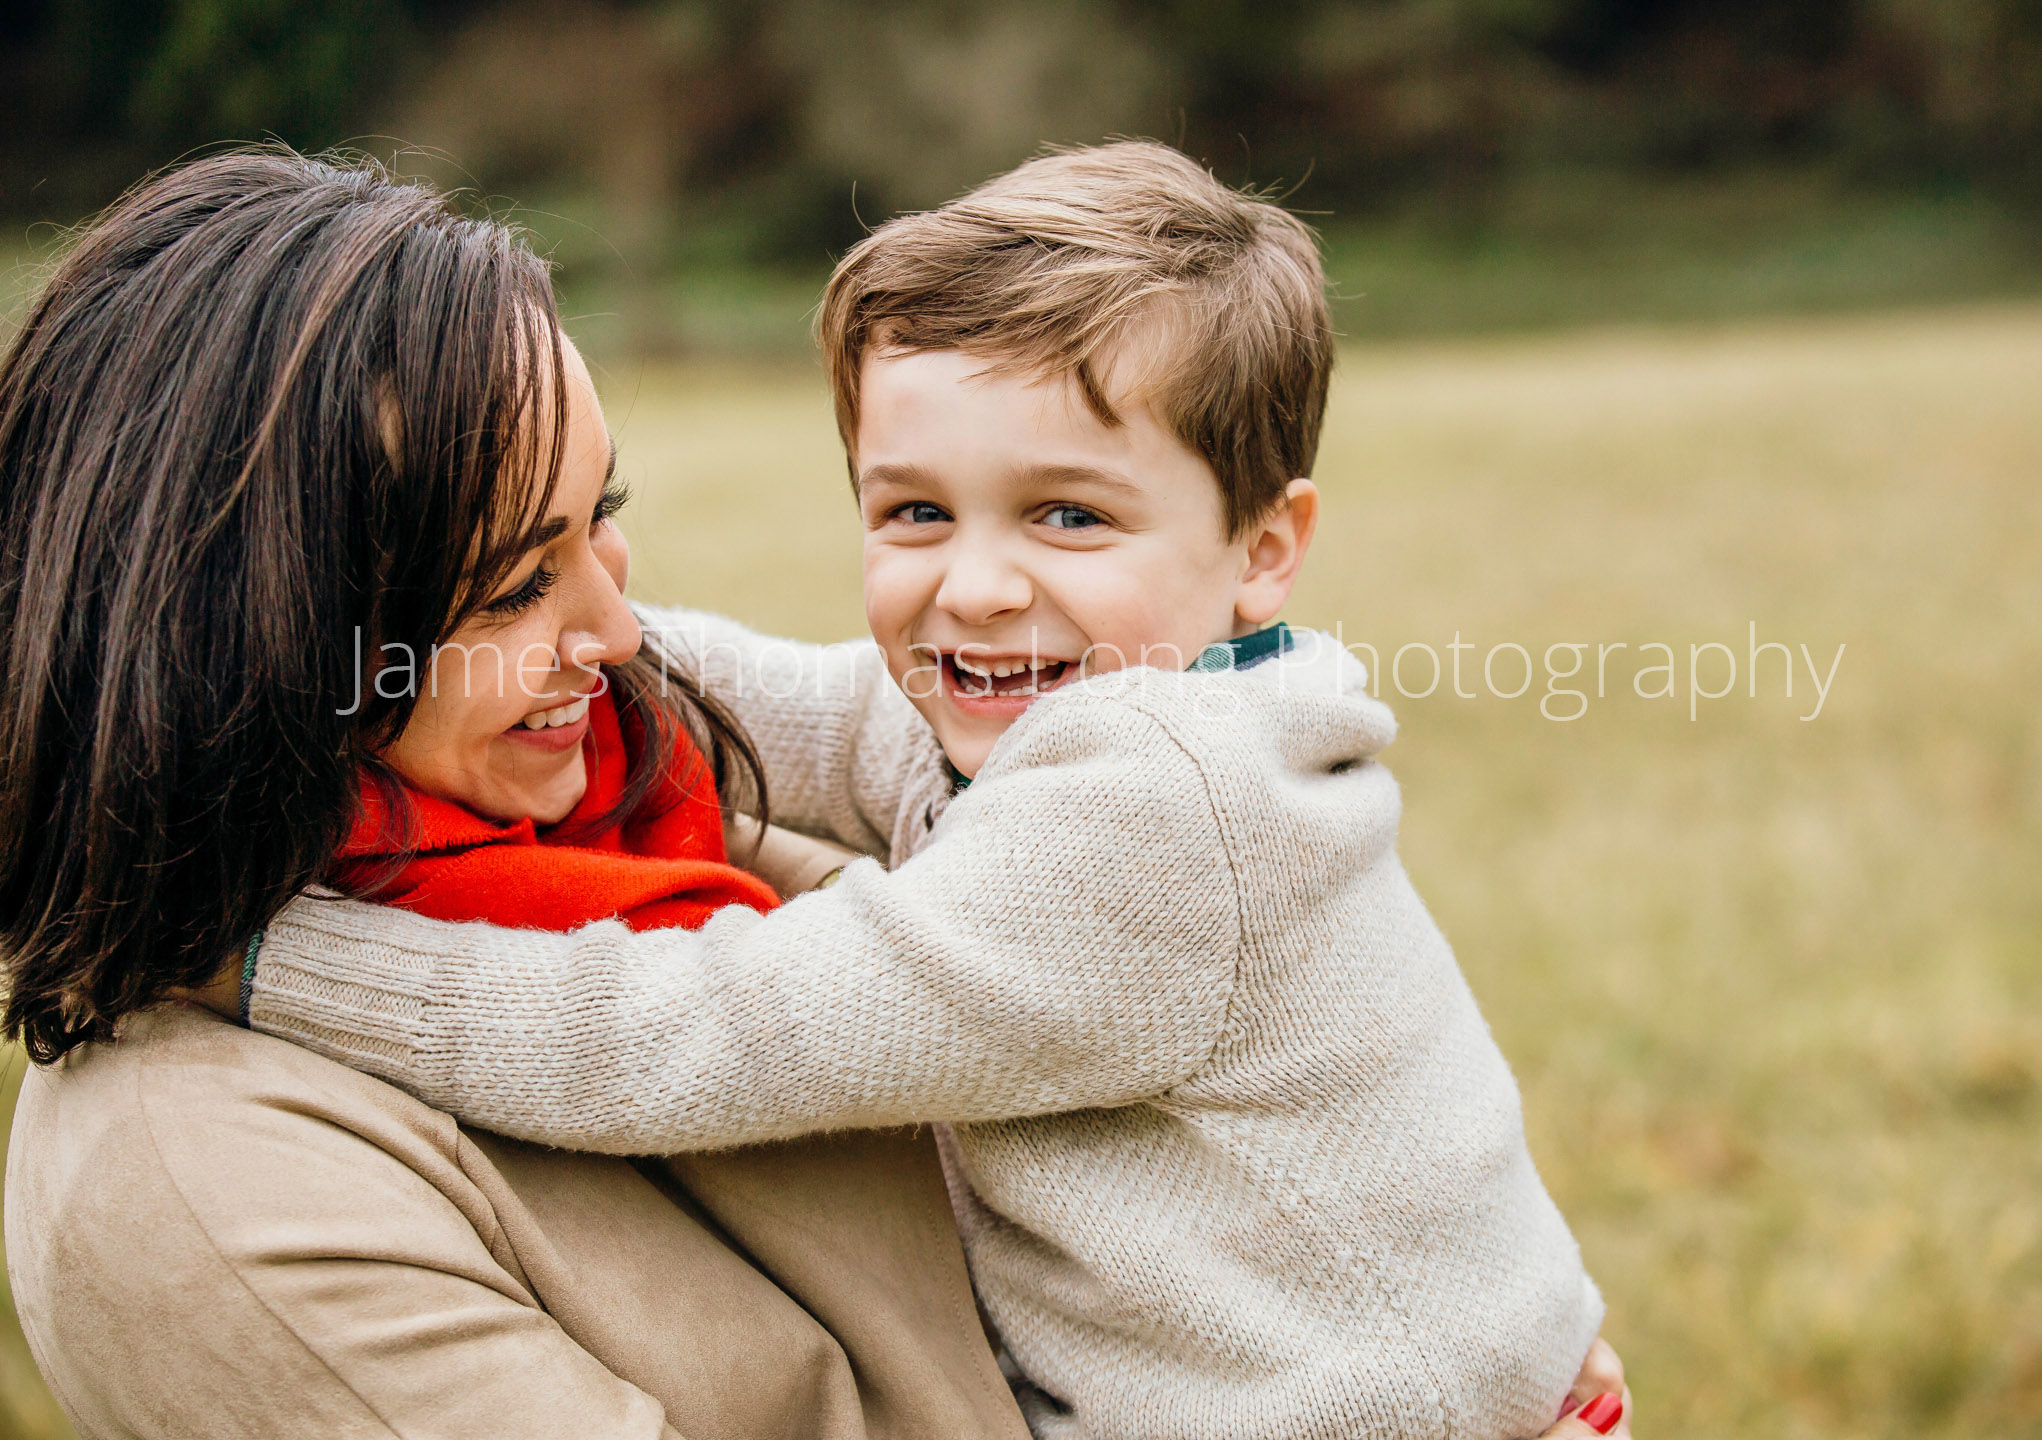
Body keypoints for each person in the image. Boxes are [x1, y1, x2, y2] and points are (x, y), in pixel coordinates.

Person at [233, 143, 1635, 1440]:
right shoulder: (1061, 710)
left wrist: (272, 962)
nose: (972, 587)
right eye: (915, 511)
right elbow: (781, 700)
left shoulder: (1154, 812)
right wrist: (477, 628)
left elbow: (704, 1031)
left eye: (1067, 515)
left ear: (1263, 549)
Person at [0, 149, 1031, 1439]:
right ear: (255, 645)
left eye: (600, 512)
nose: (616, 631)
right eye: (510, 585)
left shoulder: (625, 817)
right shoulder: (197, 1179)